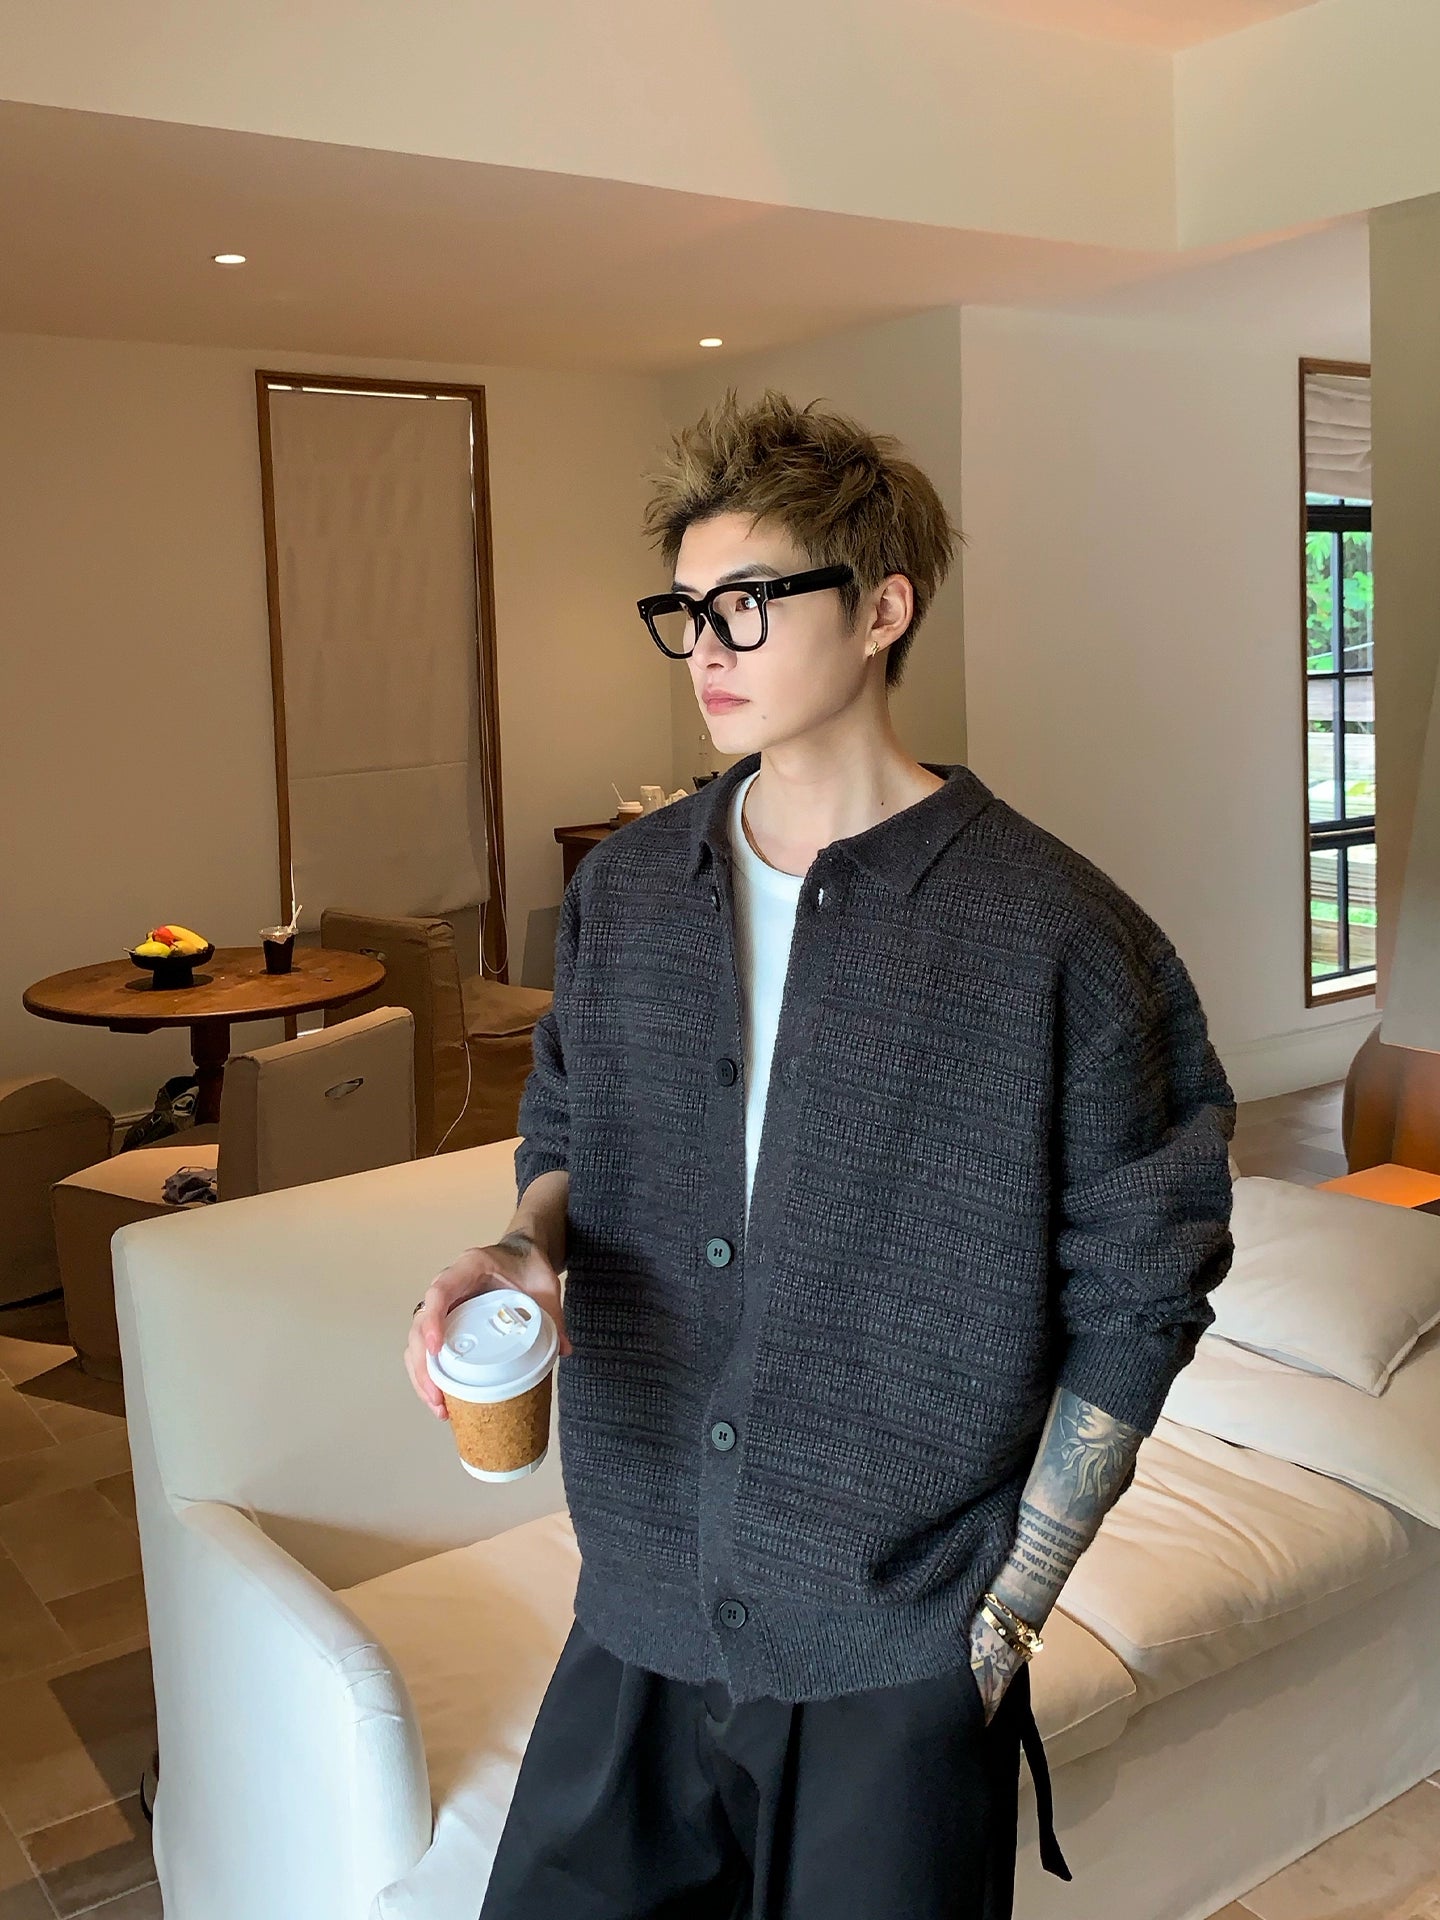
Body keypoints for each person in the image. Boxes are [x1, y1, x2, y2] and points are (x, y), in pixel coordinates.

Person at [404, 389, 1237, 1920]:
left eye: (748, 601)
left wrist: (1010, 1607)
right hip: (642, 1593)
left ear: (883, 610)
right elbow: (571, 1123)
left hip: (896, 1642)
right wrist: (526, 1243)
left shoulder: (1058, 933)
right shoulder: (627, 894)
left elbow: (1145, 1289)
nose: (704, 648)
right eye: (685, 610)